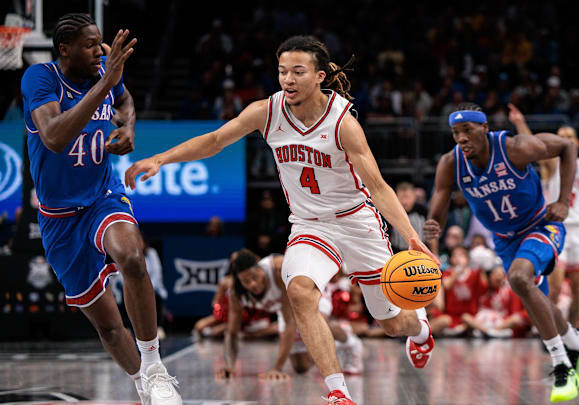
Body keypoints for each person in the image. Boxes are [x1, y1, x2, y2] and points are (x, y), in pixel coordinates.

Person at [125, 35, 438, 405]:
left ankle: (419, 330)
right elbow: (214, 141)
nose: (287, 79)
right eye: (282, 71)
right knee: (301, 291)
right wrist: (161, 158)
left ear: (320, 76)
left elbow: (379, 186)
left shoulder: (343, 122)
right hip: (309, 224)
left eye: (298, 72)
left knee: (389, 323)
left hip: (356, 222)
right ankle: (339, 392)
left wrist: (411, 236)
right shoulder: (266, 111)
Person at [20, 13, 181, 404]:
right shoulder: (40, 79)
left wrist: (128, 128)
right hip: (58, 218)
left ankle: (155, 367)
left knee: (131, 255)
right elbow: (55, 137)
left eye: (100, 42)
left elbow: (123, 100)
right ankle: (143, 384)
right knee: (109, 328)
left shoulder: (104, 74)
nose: (99, 51)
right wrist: (106, 82)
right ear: (65, 50)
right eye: (90, 44)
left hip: (101, 197)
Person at [423, 103, 579, 402]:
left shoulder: (514, 147)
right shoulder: (451, 164)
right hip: (504, 240)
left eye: (467, 130)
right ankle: (575, 340)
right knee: (532, 294)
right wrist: (432, 226)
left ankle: (561, 364)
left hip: (540, 226)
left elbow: (567, 147)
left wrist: (564, 200)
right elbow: (438, 202)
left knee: (518, 278)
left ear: (484, 128)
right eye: (455, 133)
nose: (461, 138)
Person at [508, 105, 579, 327]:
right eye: (562, 137)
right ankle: (551, 331)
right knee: (555, 286)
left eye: (570, 136)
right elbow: (531, 145)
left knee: (578, 289)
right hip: (556, 228)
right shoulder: (552, 162)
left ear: (577, 142)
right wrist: (520, 123)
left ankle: (573, 333)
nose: (567, 139)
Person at [217, 249, 363, 380]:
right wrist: (229, 366)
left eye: (255, 277)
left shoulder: (278, 270)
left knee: (315, 327)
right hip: (286, 309)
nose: (252, 284)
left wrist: (277, 368)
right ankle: (332, 345)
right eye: (246, 281)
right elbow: (232, 333)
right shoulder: (236, 294)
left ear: (260, 269)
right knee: (301, 367)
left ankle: (350, 342)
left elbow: (291, 322)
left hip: (311, 295)